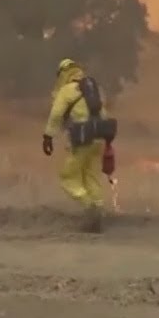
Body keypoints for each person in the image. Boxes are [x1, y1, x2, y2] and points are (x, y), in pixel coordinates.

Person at [42, 58, 117, 232]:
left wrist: (48, 136)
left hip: (82, 140)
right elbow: (104, 113)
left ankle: (89, 206)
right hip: (99, 139)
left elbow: (56, 115)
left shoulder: (67, 90)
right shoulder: (95, 89)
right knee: (91, 177)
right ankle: (97, 211)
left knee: (68, 178)